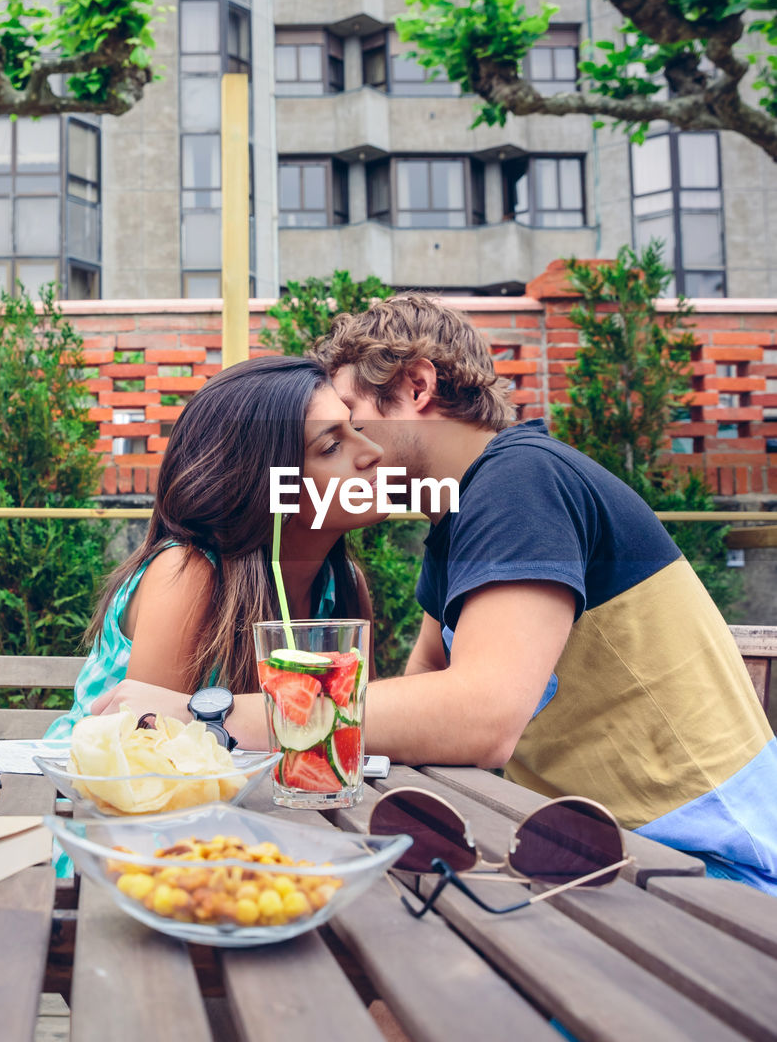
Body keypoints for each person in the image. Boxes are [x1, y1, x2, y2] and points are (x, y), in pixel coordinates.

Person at [93, 296, 777, 894]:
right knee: (401, 919)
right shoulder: (462, 521)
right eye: (335, 438)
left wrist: (210, 714)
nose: (358, 449)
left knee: (415, 937)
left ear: (416, 386)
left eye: (356, 420)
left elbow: (477, 716)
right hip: (612, 854)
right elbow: (424, 706)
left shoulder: (519, 484)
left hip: (707, 863)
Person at [46, 355, 385, 741]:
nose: (372, 450)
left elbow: (360, 731)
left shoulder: (342, 586)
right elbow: (143, 751)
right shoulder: (189, 572)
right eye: (331, 446)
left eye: (356, 428)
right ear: (262, 482)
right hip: (75, 794)